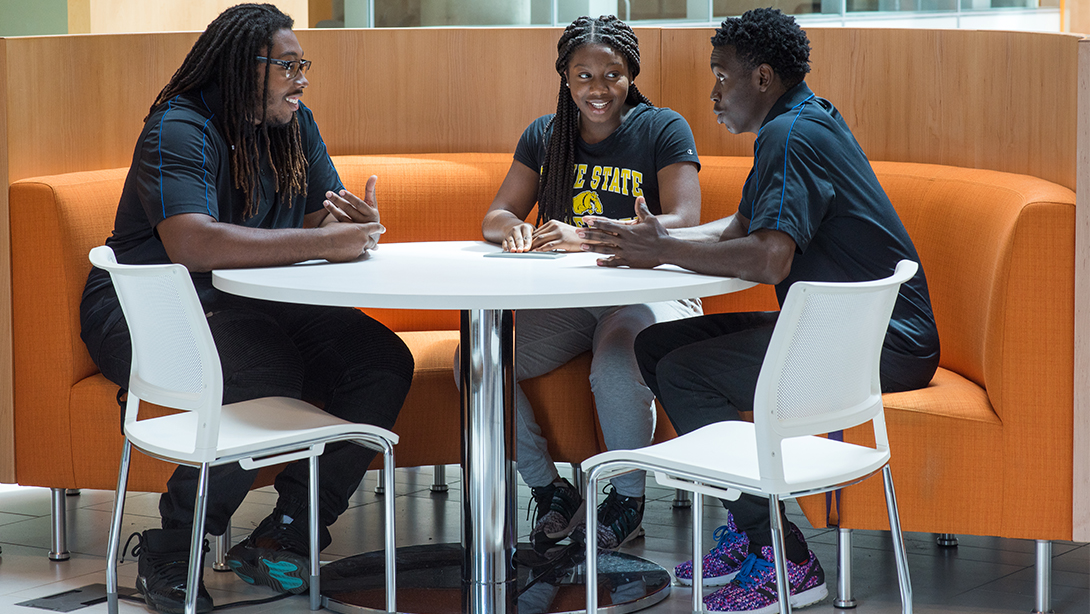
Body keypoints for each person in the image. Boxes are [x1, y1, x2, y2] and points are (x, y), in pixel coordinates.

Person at [579, 8, 940, 613]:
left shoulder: (790, 135)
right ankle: (750, 529)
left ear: (764, 77)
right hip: (841, 328)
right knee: (656, 347)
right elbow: (738, 227)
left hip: (879, 344)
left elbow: (770, 258)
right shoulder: (798, 120)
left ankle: (782, 555)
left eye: (722, 76)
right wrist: (646, 242)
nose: (714, 92)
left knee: (685, 371)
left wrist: (663, 250)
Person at [78, 5, 414, 613]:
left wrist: (349, 225)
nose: (301, 78)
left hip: (251, 300)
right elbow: (193, 243)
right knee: (262, 371)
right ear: (242, 68)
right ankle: (172, 548)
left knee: (379, 359)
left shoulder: (294, 121)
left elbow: (317, 215)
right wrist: (322, 242)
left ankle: (291, 530)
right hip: (147, 306)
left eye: (302, 64)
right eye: (287, 65)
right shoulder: (179, 127)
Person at [470, 15, 702, 554]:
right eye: (584, 76)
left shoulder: (663, 128)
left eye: (612, 75)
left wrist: (591, 235)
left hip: (649, 292)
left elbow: (687, 218)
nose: (598, 89)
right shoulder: (547, 134)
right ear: (565, 79)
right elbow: (496, 214)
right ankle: (551, 490)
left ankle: (627, 503)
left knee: (618, 362)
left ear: (631, 75)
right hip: (570, 301)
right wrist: (516, 228)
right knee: (479, 360)